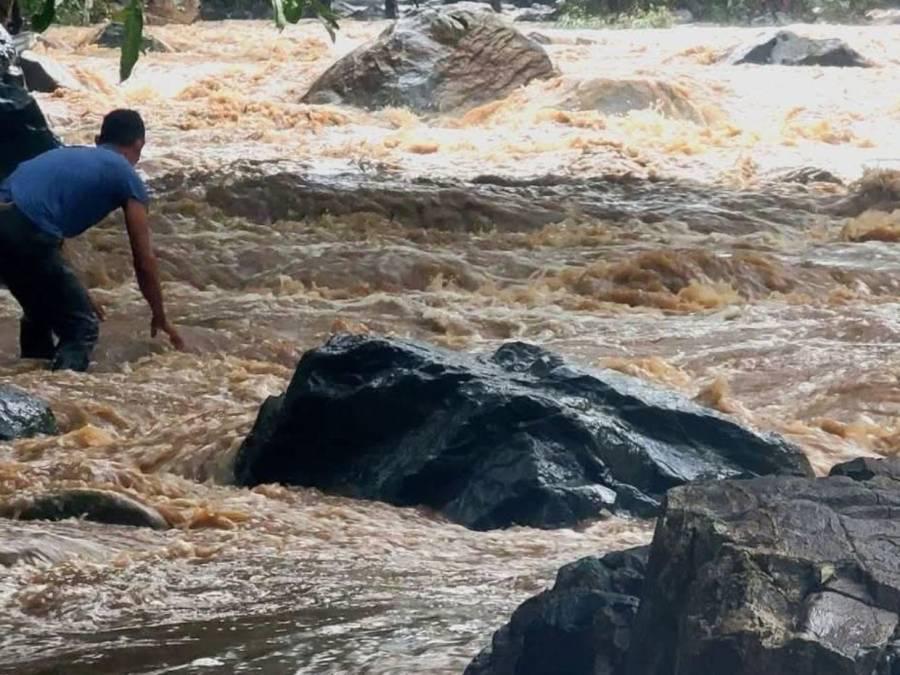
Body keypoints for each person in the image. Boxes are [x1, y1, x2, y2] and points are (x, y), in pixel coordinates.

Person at [0, 108, 184, 372]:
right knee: (82, 327)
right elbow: (144, 259)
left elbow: (48, 235)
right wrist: (160, 315)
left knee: (40, 313)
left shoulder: (66, 156)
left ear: (99, 140)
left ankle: (31, 390)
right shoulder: (127, 177)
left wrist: (79, 293)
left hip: (7, 220)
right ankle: (63, 395)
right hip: (27, 231)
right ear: (138, 144)